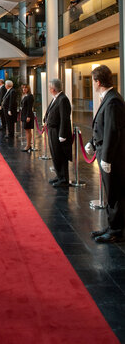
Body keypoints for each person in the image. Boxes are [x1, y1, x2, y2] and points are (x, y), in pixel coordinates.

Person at [85, 65, 125, 243]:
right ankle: (111, 225)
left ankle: (116, 230)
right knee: (111, 192)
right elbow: (102, 126)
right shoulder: (108, 98)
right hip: (104, 151)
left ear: (98, 82)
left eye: (93, 81)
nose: (93, 84)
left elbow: (112, 131)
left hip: (113, 157)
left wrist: (107, 158)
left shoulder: (113, 100)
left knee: (115, 193)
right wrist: (92, 142)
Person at [45, 79, 72, 188]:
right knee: (55, 155)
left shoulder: (63, 99)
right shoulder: (56, 98)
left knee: (60, 155)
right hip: (52, 131)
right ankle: (59, 175)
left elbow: (64, 118)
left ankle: (63, 179)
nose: (49, 89)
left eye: (49, 87)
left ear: (53, 88)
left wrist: (62, 134)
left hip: (58, 132)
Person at [20, 84, 34, 152]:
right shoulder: (24, 96)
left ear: (28, 89)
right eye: (23, 88)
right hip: (24, 114)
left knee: (28, 130)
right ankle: (28, 145)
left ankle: (28, 145)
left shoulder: (30, 96)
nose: (24, 89)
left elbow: (29, 107)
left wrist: (28, 116)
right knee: (26, 130)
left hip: (27, 115)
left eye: (25, 88)